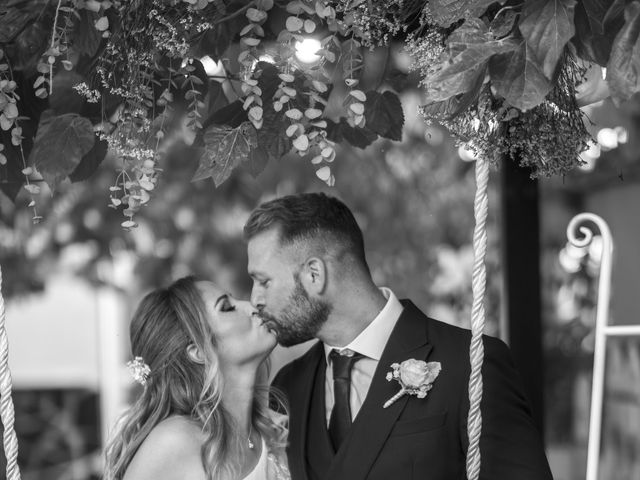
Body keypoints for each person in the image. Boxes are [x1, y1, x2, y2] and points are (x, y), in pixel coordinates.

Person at [244, 192, 553, 480]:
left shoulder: (470, 363)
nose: (254, 299)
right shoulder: (288, 386)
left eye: (263, 281)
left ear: (315, 275)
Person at [103, 276, 290, 480]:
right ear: (199, 351)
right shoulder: (174, 441)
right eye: (227, 307)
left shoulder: (272, 430)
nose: (250, 306)